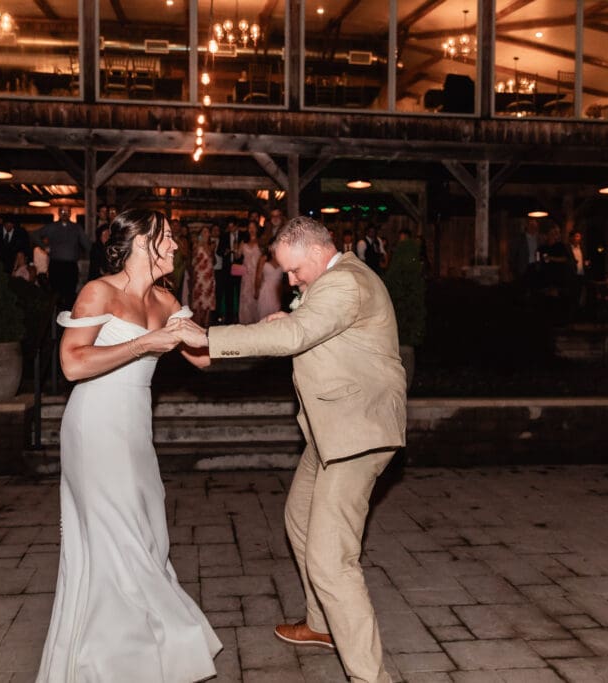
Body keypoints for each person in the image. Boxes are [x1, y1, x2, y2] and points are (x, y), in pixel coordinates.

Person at [186, 216, 406, 683]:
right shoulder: (334, 280)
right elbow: (314, 329)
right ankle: (324, 625)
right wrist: (293, 317)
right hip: (329, 428)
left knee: (331, 561)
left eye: (292, 270)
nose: (289, 280)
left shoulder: (346, 283)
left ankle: (372, 678)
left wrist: (210, 338)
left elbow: (295, 337)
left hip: (356, 433)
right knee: (299, 518)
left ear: (315, 252)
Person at [36, 209, 220, 683]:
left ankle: (134, 653)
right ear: (141, 243)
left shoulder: (165, 300)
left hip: (135, 428)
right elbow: (73, 364)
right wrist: (146, 344)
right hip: (94, 424)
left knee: (147, 533)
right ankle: (122, 661)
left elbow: (202, 357)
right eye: (169, 238)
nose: (177, 247)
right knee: (117, 539)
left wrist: (270, 335)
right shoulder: (99, 292)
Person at [34, 207, 91, 310]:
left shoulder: (76, 228)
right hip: (56, 265)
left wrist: (83, 253)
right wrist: (44, 247)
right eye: (62, 211)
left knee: (70, 295)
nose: (65, 213)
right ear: (59, 213)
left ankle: (67, 322)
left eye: (67, 211)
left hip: (71, 266)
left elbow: (87, 245)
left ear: (70, 214)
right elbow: (35, 234)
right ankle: (53, 321)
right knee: (55, 295)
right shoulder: (52, 227)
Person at [236, 220, 263, 324]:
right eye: (249, 227)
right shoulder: (244, 242)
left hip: (258, 274)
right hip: (246, 275)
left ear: (257, 229)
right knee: (246, 299)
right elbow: (237, 256)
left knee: (257, 299)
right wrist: (237, 249)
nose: (251, 229)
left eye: (253, 227)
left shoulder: (261, 242)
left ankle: (257, 323)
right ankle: (245, 323)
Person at [190, 225, 216, 327]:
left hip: (209, 276)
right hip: (199, 276)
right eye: (204, 232)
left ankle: (206, 324)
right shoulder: (196, 245)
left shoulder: (212, 245)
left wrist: (210, 251)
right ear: (201, 234)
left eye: (207, 232)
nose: (206, 234)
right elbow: (193, 260)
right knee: (199, 301)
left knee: (208, 301)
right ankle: (197, 324)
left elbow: (213, 261)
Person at [255, 240, 284, 319]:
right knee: (263, 317)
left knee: (276, 318)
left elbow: (283, 280)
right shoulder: (263, 259)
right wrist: (256, 290)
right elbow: (258, 276)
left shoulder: (283, 259)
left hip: (277, 292)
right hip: (265, 291)